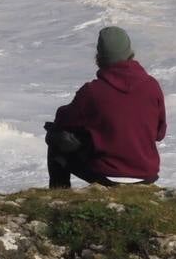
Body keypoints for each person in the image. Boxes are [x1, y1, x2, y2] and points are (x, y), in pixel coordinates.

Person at [47, 26, 166, 189]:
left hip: (107, 174)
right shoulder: (152, 86)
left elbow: (63, 121)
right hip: (146, 174)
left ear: (99, 56)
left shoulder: (92, 92)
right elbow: (160, 133)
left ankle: (58, 195)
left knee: (56, 137)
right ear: (130, 52)